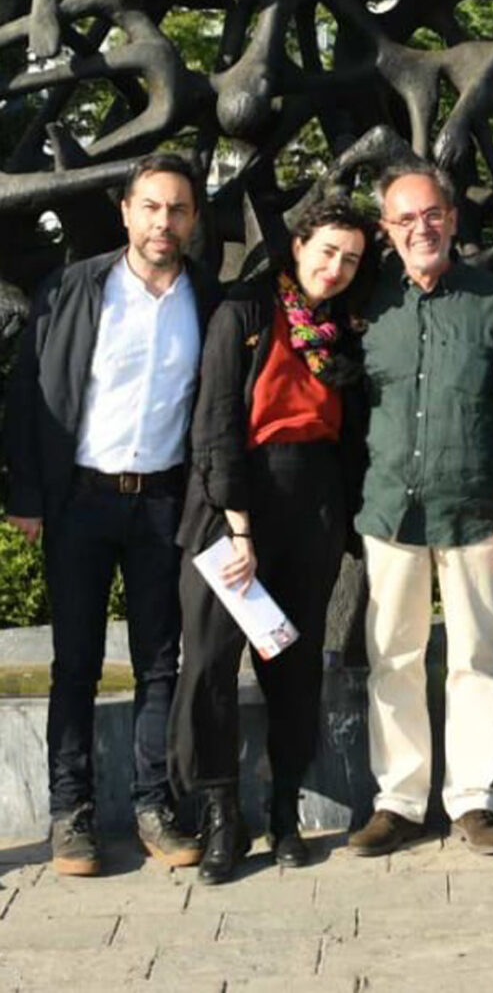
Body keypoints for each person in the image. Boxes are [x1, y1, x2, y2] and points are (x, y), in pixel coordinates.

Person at [2, 154, 219, 876]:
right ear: (126, 212)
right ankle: (71, 814)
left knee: (160, 663)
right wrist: (27, 495)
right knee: (76, 664)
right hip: (81, 502)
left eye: (177, 209)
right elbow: (29, 393)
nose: (163, 222)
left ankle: (154, 804)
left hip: (162, 504)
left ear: (193, 218)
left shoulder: (207, 299)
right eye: (151, 207)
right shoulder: (73, 288)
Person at [168, 196, 373, 882]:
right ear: (299, 246)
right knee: (210, 663)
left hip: (312, 501)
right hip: (233, 500)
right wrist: (239, 526)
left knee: (294, 661)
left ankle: (285, 810)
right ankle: (221, 814)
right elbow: (216, 423)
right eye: (327, 251)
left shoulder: (342, 328)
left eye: (350, 259)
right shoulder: (245, 312)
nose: (336, 267)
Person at [347, 162, 493, 858]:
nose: (420, 228)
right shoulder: (369, 304)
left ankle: (474, 801)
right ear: (386, 229)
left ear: (452, 219)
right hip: (390, 505)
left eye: (432, 214)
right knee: (392, 655)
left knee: (476, 656)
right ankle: (397, 801)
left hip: (475, 504)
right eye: (405, 219)